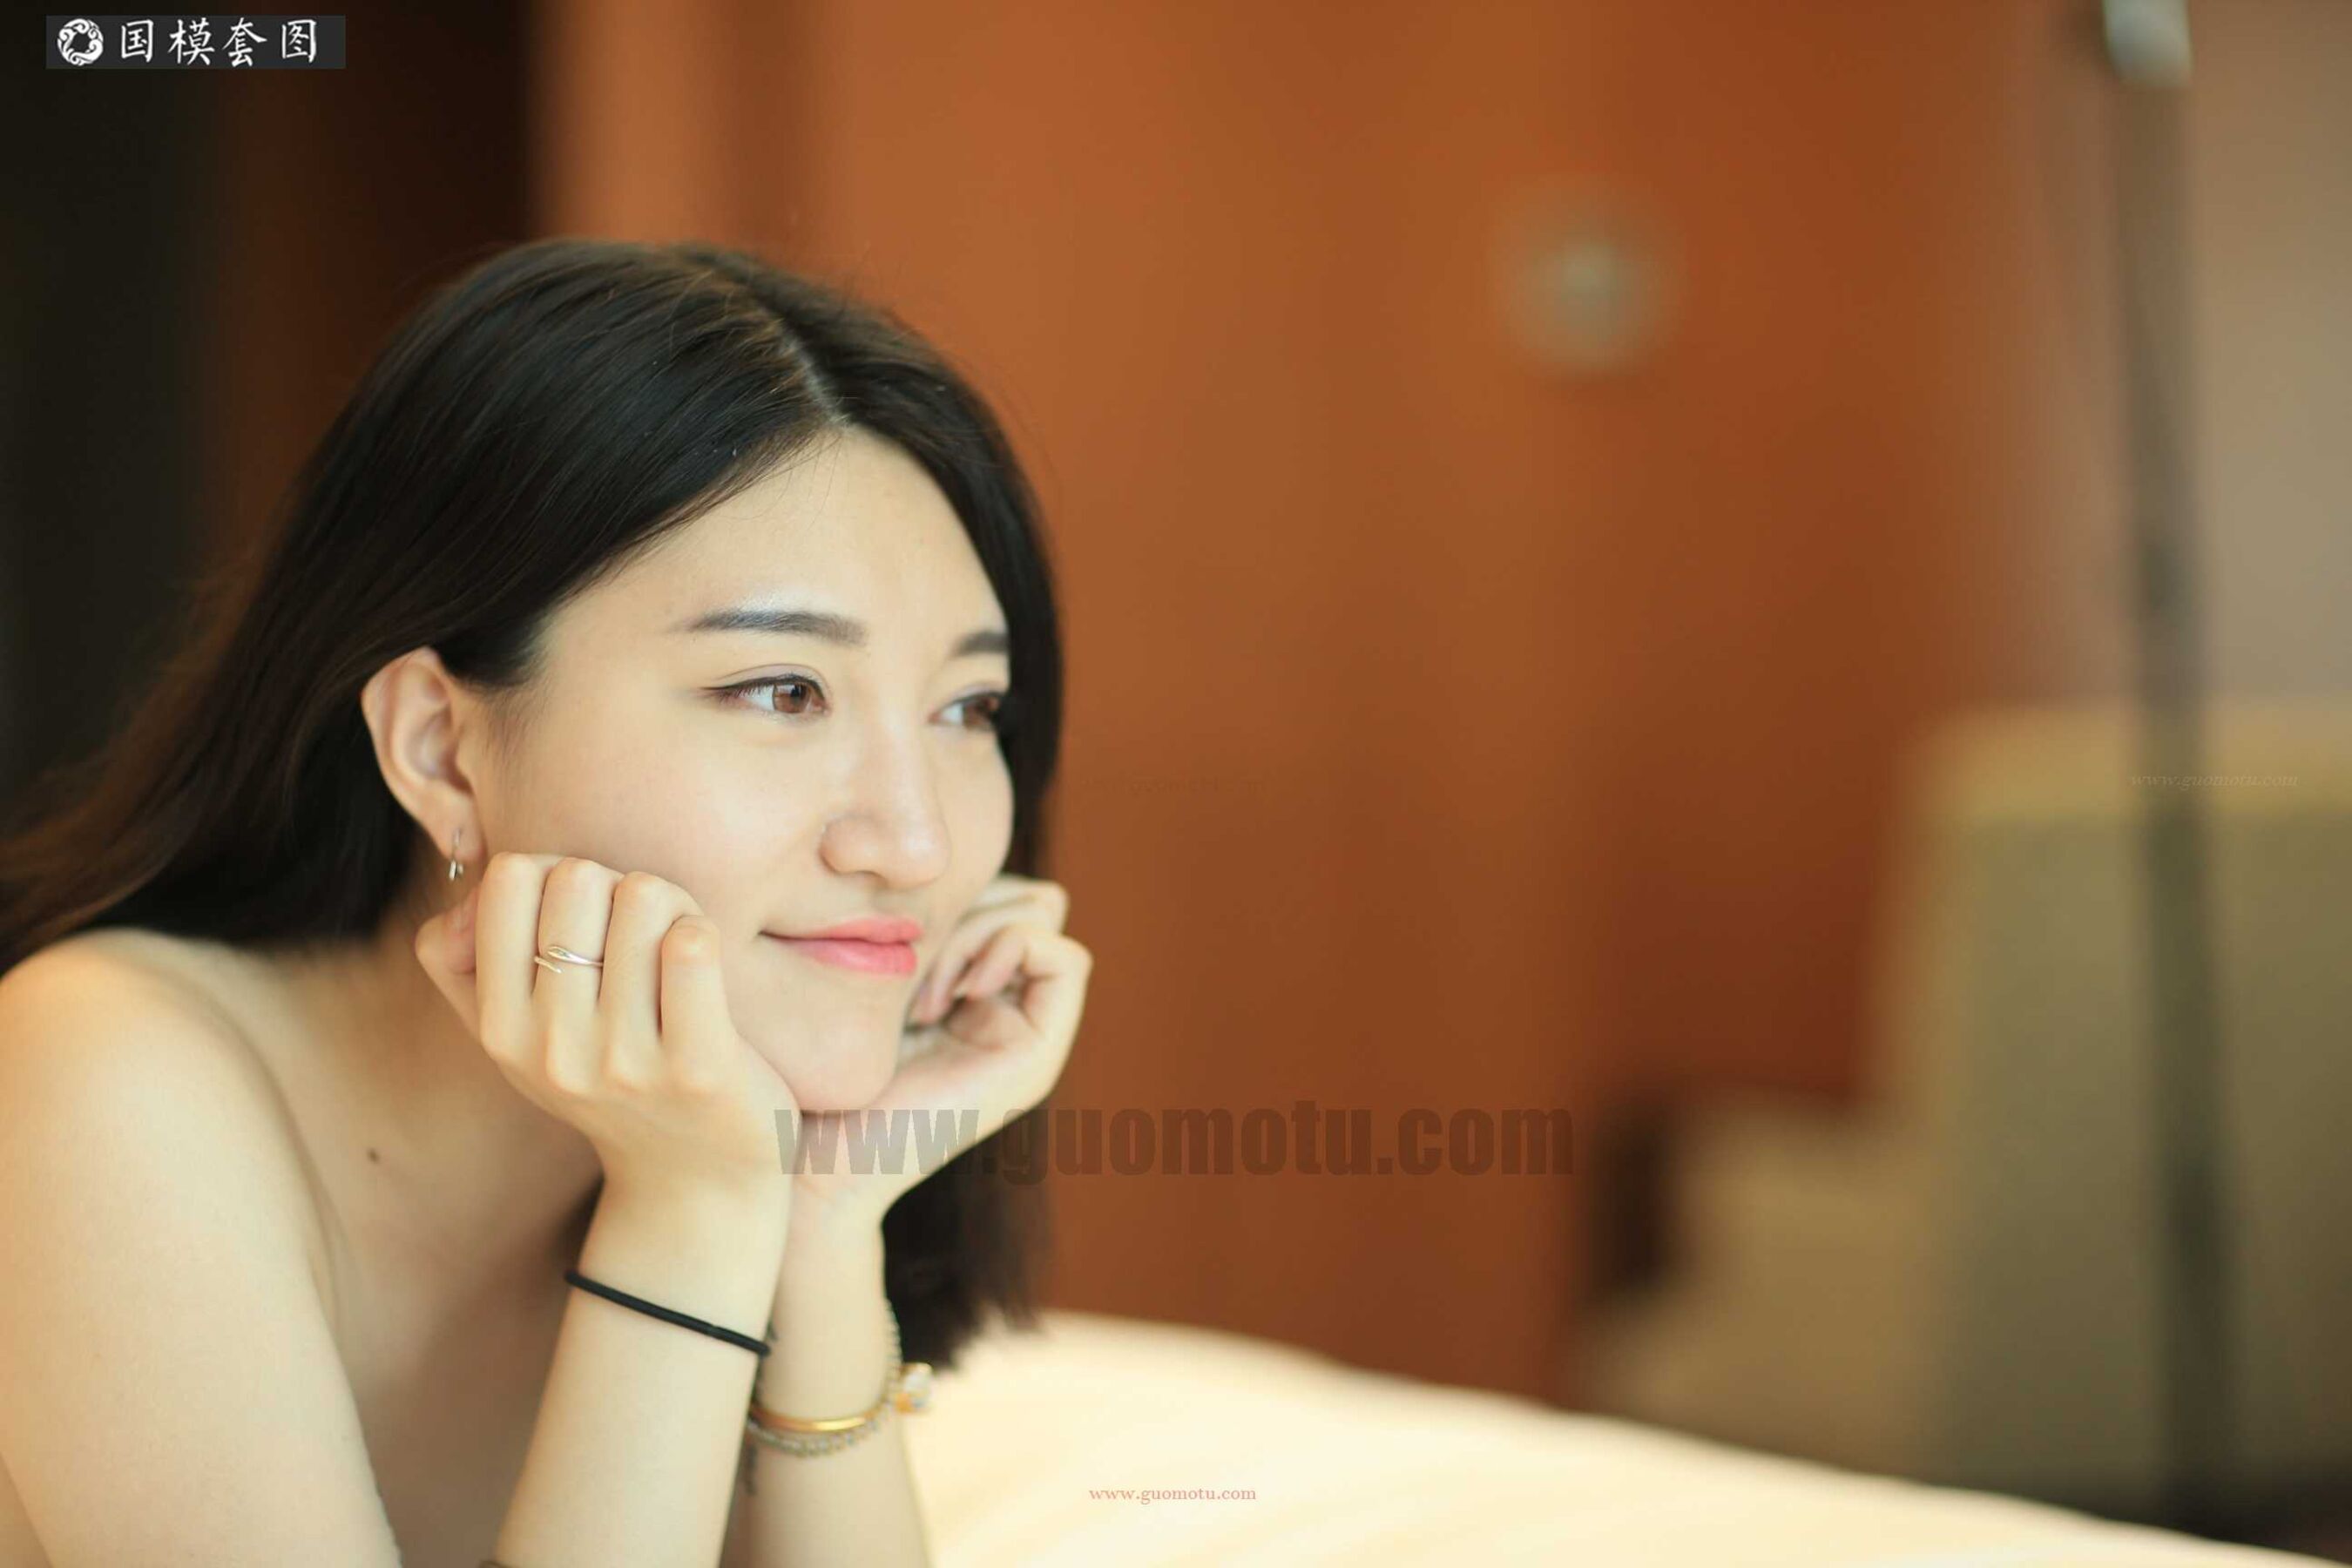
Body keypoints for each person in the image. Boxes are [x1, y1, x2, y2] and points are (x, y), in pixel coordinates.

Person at [0, 237, 1091, 1567]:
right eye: (782, 691)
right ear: (441, 751)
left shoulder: (713, 1138)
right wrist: (686, 1230)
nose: (916, 844)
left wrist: (817, 1222)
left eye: (969, 709)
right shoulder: (102, 1070)